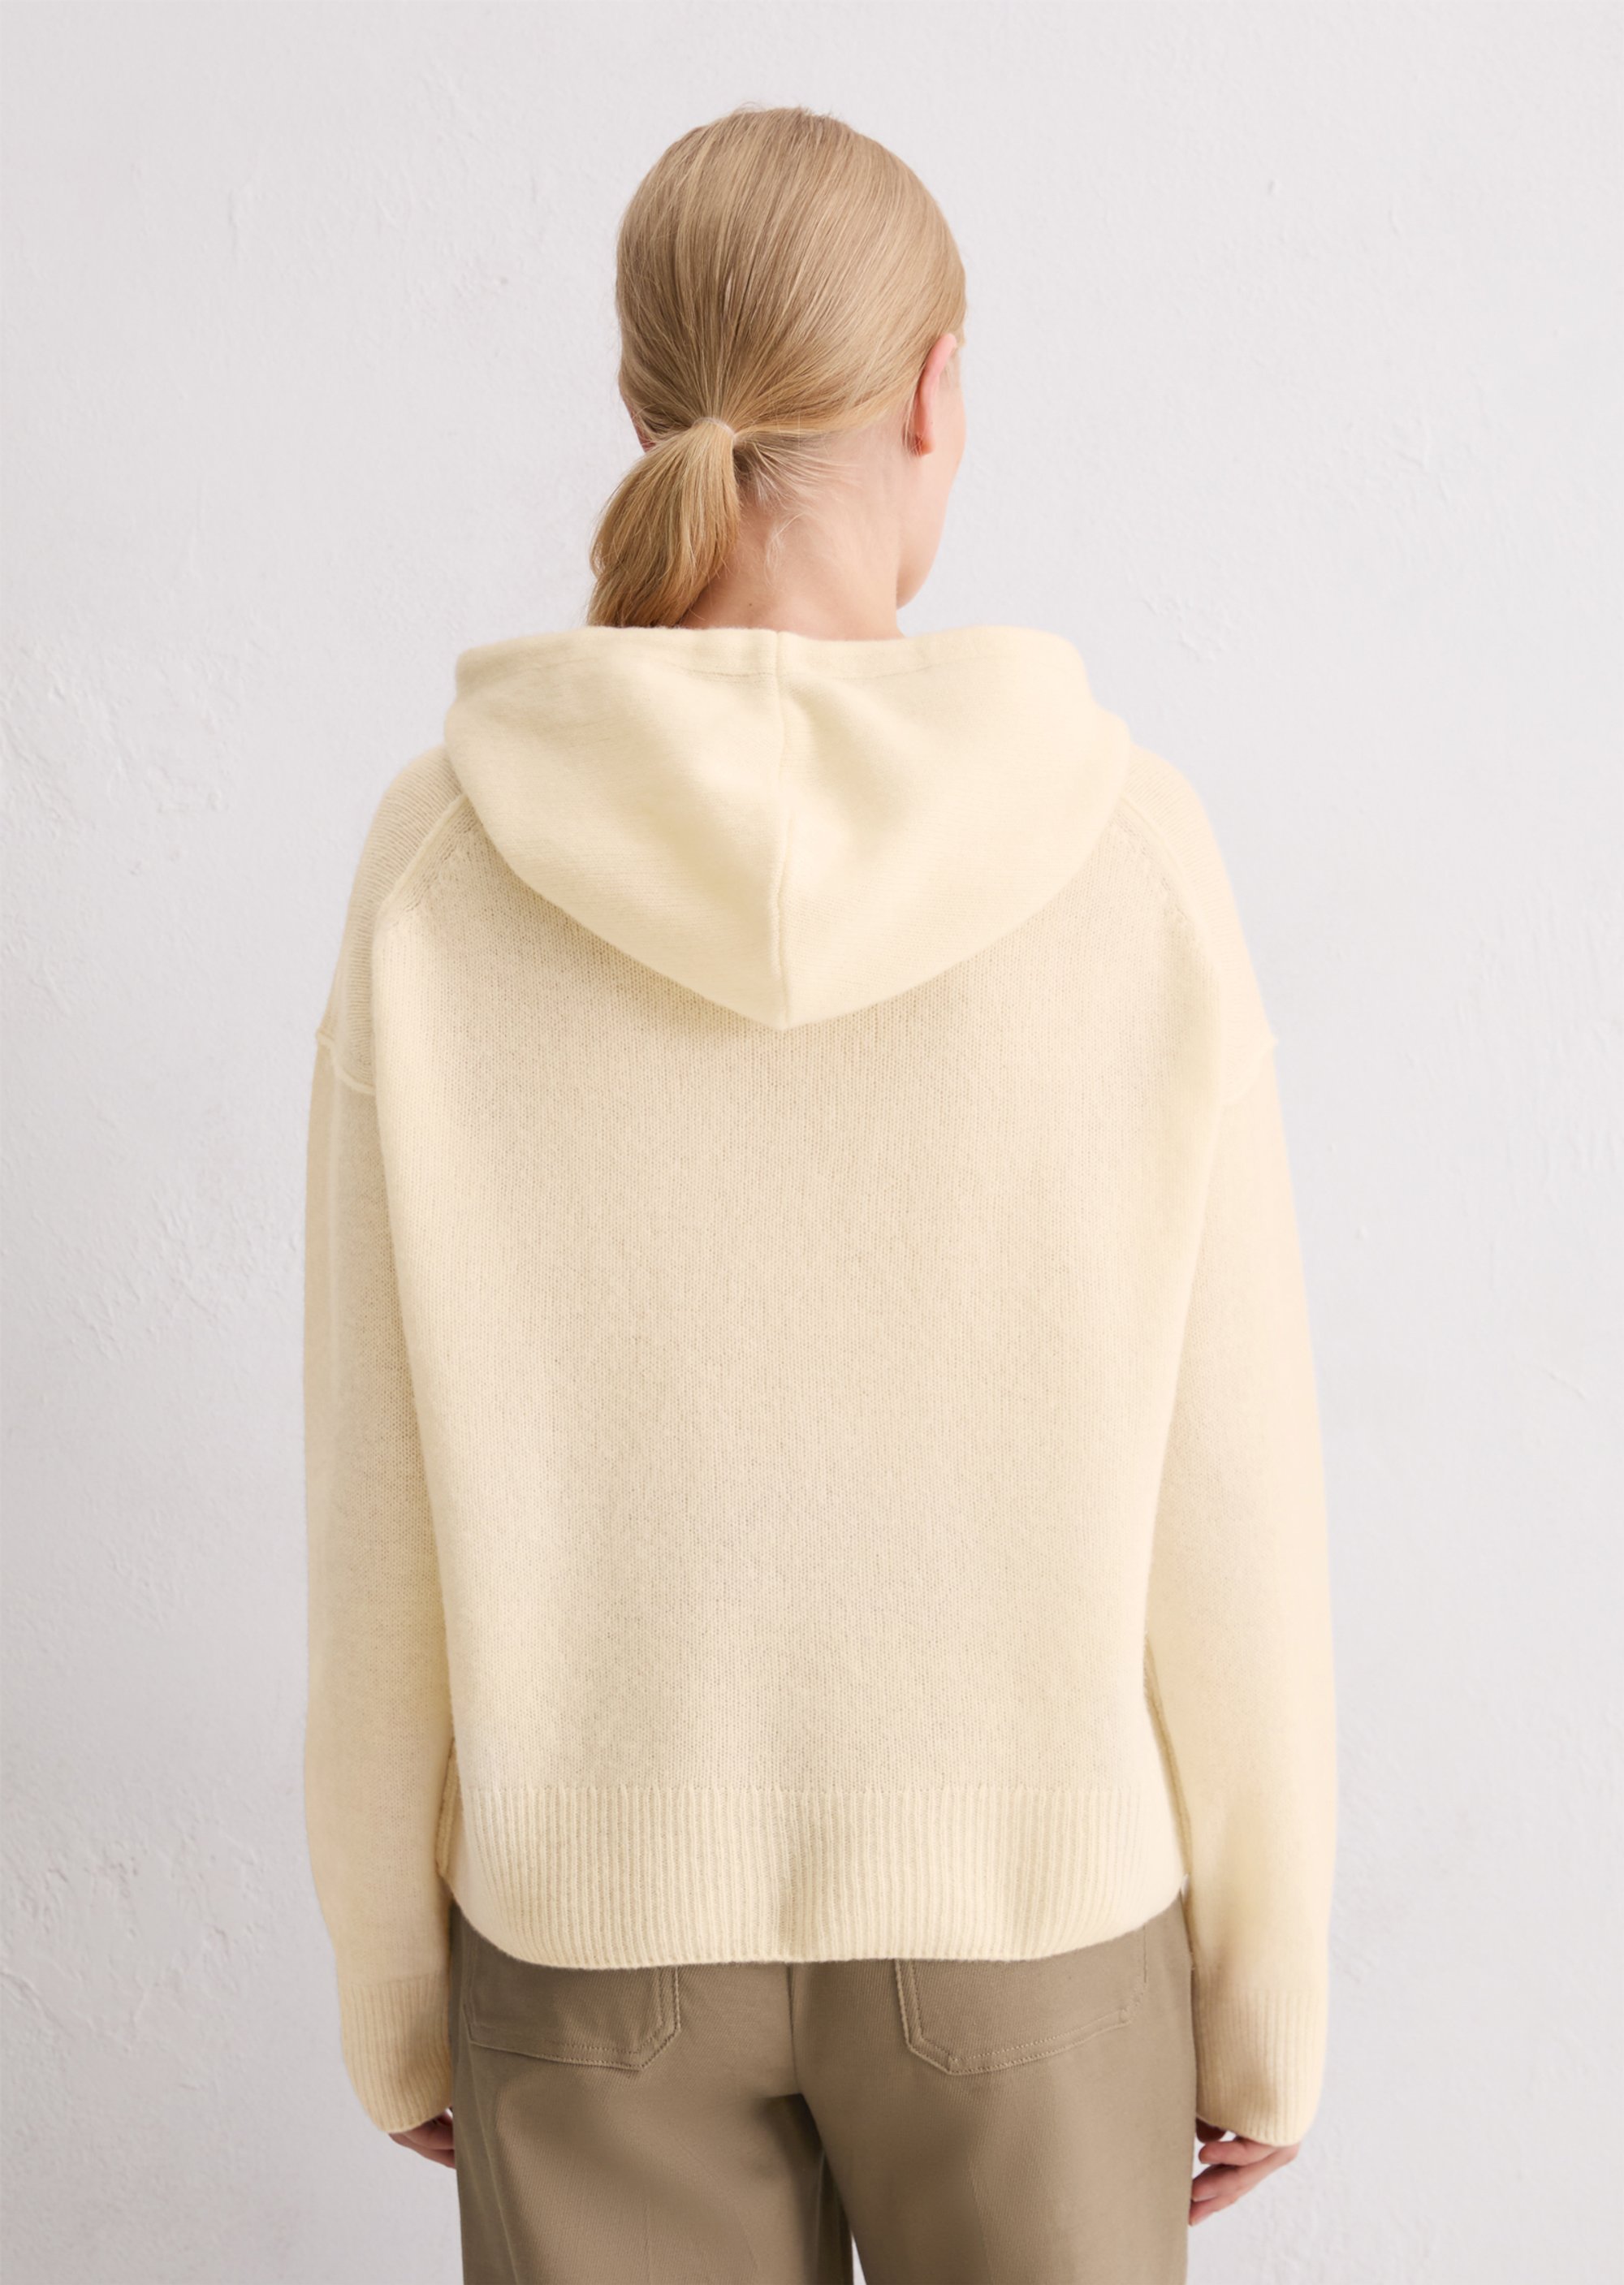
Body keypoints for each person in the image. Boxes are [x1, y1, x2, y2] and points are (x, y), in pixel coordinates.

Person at [302, 102, 1337, 2284]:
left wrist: (396, 1978)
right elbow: (1231, 1486)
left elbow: (372, 1477)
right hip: (1037, 1931)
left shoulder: (443, 862)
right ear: (938, 392)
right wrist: (1267, 2001)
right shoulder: (1126, 853)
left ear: (642, 402)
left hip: (587, 1935)